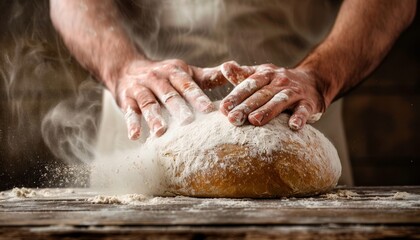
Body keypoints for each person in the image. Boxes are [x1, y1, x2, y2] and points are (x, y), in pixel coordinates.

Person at [49, 0, 416, 185]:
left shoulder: (309, 88)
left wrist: (320, 77)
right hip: (147, 108)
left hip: (293, 107)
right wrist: (122, 68)